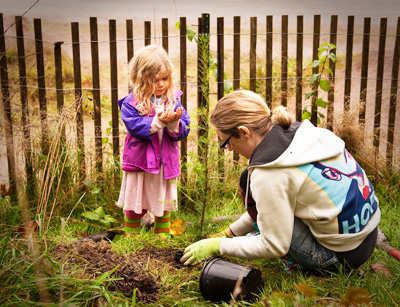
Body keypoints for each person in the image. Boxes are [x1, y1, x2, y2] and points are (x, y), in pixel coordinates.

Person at [180, 90, 380, 275]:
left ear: (244, 131)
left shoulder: (270, 173)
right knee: (267, 194)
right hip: (366, 238)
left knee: (249, 186)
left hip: (339, 257)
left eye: (227, 142)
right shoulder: (301, 134)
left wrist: (217, 245)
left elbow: (274, 244)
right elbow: (273, 206)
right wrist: (229, 233)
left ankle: (303, 264)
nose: (229, 149)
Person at [117, 45, 190, 238]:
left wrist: (174, 122)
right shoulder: (131, 103)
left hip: (164, 161)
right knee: (136, 196)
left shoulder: (174, 100)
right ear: (139, 79)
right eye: (154, 80)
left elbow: (184, 127)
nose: (161, 85)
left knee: (163, 198)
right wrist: (159, 121)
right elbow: (135, 127)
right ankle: (131, 235)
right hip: (140, 162)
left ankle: (162, 235)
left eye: (165, 79)